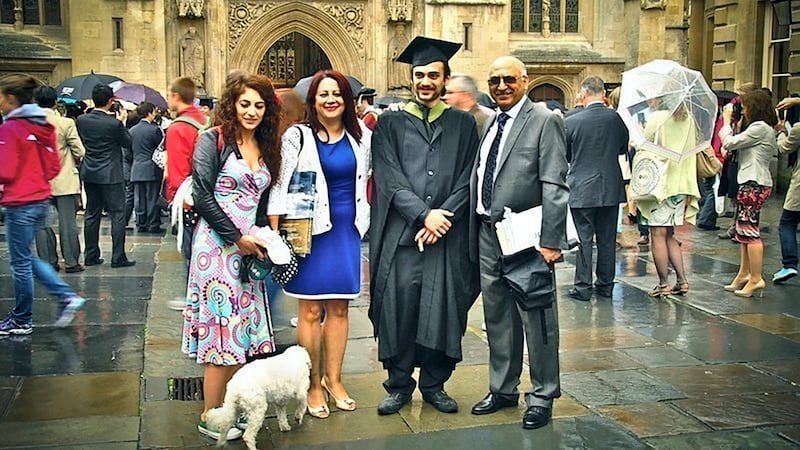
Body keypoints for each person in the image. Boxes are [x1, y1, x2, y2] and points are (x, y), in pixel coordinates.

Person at [370, 36, 480, 416]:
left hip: (445, 238)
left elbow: (471, 178)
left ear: (445, 78)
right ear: (412, 78)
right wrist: (423, 215)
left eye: (433, 74)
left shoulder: (464, 124)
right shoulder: (389, 124)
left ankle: (434, 384)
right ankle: (399, 385)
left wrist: (442, 217)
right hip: (403, 237)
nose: (426, 81)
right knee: (398, 310)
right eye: (419, 74)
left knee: (443, 311)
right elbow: (389, 177)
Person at [468, 56, 568, 430]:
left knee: (538, 318)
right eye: (494, 80)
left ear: (525, 80)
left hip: (527, 237)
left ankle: (543, 395)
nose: (501, 86)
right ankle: (503, 388)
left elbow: (555, 182)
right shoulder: (493, 122)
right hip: (489, 234)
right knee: (497, 318)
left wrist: (551, 241)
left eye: (508, 79)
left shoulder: (544, 120)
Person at [181, 72, 282, 441]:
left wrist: (262, 238)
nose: (252, 111)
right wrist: (235, 237)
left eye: (259, 105)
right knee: (221, 332)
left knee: (240, 334)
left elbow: (263, 201)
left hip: (248, 247)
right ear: (231, 104)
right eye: (245, 104)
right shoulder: (213, 139)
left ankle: (229, 409)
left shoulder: (267, 145)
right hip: (216, 247)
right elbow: (203, 195)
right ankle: (210, 415)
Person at [268, 69, 371, 419]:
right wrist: (275, 234)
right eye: (323, 94)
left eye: (337, 94)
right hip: (308, 232)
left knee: (340, 309)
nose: (330, 100)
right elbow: (280, 184)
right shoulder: (298, 136)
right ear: (313, 101)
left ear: (347, 100)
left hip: (346, 230)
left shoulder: (363, 137)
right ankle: (311, 384)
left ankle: (334, 379)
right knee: (311, 311)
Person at [0, 74, 86, 335]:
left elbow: (5, 170)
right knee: (26, 257)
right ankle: (65, 296)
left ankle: (23, 318)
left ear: (12, 99)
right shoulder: (43, 125)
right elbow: (53, 166)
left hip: (20, 200)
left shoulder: (10, 129)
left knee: (21, 263)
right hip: (40, 197)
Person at [565, 76, 628, 301]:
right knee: (607, 240)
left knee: (583, 241)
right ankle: (605, 285)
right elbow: (623, 148)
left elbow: (566, 154)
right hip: (610, 187)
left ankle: (582, 287)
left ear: (583, 95)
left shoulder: (572, 121)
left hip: (581, 188)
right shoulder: (616, 119)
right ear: (603, 94)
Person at [719, 89, 778, 297]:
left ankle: (756, 278)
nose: (742, 110)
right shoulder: (760, 128)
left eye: (745, 107)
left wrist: (726, 122)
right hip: (752, 181)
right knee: (742, 230)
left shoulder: (760, 128)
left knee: (750, 232)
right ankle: (744, 273)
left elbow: (729, 142)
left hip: (754, 183)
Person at [76, 84, 135, 268]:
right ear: (110, 101)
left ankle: (91, 255)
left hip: (90, 172)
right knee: (117, 214)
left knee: (91, 214)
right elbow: (127, 142)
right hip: (110, 173)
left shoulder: (81, 120)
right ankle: (118, 257)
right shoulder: (113, 124)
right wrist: (122, 122)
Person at [32, 86, 86, 273]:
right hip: (64, 180)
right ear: (55, 102)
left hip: (38, 182)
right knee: (67, 224)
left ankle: (48, 262)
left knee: (42, 224)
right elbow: (80, 151)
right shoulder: (65, 123)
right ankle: (71, 262)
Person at [164, 77, 206, 311]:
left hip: (189, 199)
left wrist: (176, 202)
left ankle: (194, 298)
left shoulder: (179, 127)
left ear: (176, 96)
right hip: (209, 195)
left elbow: (178, 173)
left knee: (189, 250)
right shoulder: (204, 120)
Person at [773, 97, 800, 283]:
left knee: (787, 223)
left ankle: (789, 265)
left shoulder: (798, 128)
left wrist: (781, 132)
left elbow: (784, 148)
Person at [129, 101, 165, 233]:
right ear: (150, 113)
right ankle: (153, 223)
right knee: (152, 197)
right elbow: (160, 148)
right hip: (151, 167)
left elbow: (129, 151)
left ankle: (141, 222)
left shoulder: (132, 130)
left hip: (137, 167)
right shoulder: (155, 130)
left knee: (139, 197)